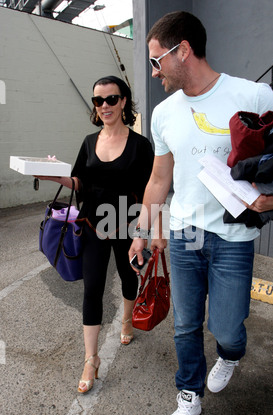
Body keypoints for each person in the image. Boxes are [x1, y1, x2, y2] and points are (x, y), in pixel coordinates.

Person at [129, 11, 273, 415]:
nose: (153, 71)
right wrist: (143, 231)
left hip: (233, 238)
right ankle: (188, 396)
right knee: (185, 324)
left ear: (182, 50)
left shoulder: (254, 95)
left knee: (226, 327)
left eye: (156, 60)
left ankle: (230, 354)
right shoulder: (164, 114)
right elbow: (159, 180)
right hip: (185, 234)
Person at [36, 75, 154, 393]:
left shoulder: (141, 145)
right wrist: (54, 177)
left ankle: (127, 320)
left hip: (127, 226)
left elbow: (149, 192)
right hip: (91, 226)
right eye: (98, 101)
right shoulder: (90, 141)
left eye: (111, 99)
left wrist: (146, 233)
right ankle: (91, 359)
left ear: (124, 101)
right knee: (93, 290)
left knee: (130, 279)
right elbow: (80, 183)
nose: (104, 106)